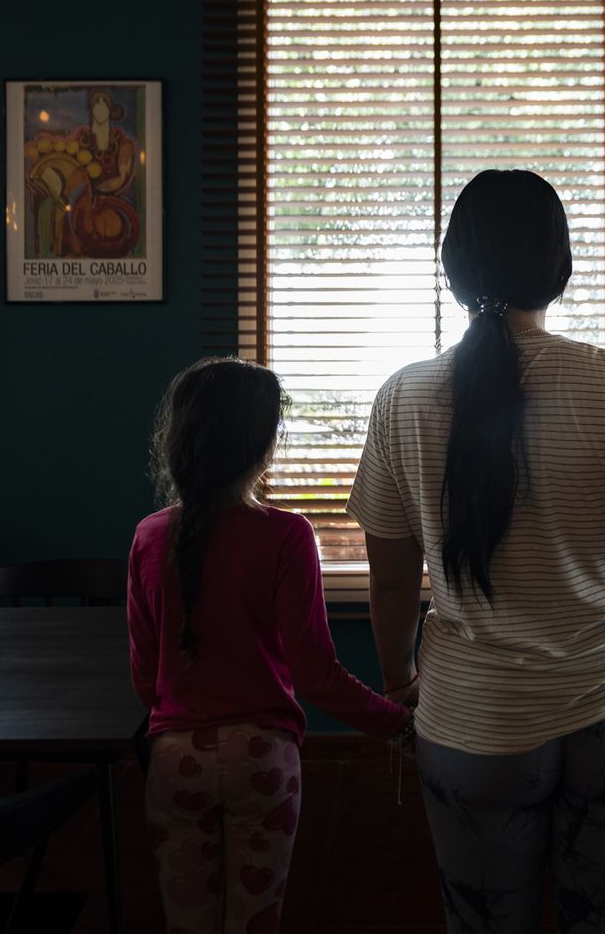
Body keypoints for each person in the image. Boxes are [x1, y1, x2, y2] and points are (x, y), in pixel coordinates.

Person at [349, 170, 605, 934]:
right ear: (559, 266)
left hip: (474, 716)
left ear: (454, 266)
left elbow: (392, 583)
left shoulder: (402, 396)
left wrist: (399, 677)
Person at [129, 357, 412, 934]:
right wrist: (400, 726)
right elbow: (316, 675)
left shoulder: (149, 535)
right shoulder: (287, 535)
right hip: (262, 759)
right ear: (264, 446)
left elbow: (144, 674)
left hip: (173, 760)